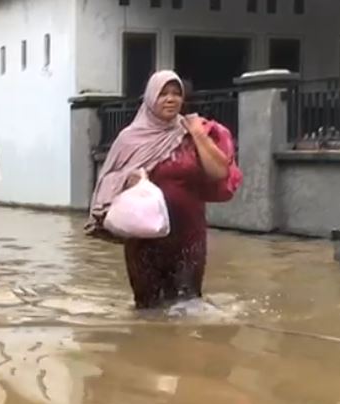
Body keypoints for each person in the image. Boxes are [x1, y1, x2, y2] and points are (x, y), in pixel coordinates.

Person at [87, 70, 242, 309]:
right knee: (147, 308)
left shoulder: (191, 133)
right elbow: (108, 179)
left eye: (176, 94)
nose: (170, 99)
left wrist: (198, 134)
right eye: (163, 94)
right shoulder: (130, 139)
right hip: (145, 239)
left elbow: (220, 172)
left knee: (188, 305)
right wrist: (129, 179)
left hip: (188, 236)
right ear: (150, 98)